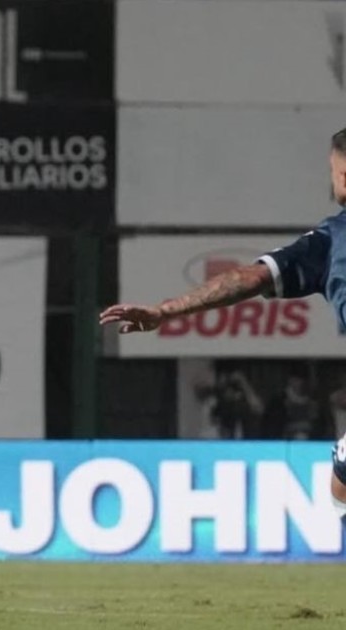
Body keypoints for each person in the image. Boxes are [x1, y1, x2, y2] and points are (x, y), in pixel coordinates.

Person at [99, 126, 346, 523]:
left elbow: (247, 279)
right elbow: (251, 278)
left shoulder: (332, 240)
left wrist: (165, 312)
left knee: (342, 485)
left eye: (333, 171)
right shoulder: (329, 240)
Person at [263, 369, 324, 440]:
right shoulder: (277, 403)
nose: (301, 383)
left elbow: (320, 429)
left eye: (303, 380)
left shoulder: (314, 403)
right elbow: (271, 429)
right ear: (290, 380)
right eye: (297, 380)